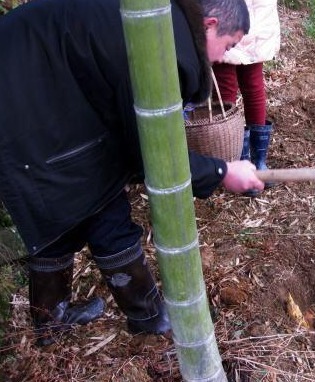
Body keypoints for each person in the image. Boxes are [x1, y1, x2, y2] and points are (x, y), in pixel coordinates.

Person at [0, 0, 264, 346]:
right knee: (103, 206)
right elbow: (149, 154)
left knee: (64, 208)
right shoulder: (165, 45)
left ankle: (52, 321)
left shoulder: (164, 20)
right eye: (228, 46)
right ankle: (150, 318)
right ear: (210, 24)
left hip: (33, 81)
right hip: (27, 93)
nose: (218, 60)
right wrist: (221, 171)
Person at [212, 0, 280, 195]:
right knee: (228, 86)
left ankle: (255, 162)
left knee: (251, 84)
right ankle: (239, 161)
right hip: (229, 11)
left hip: (253, 12)